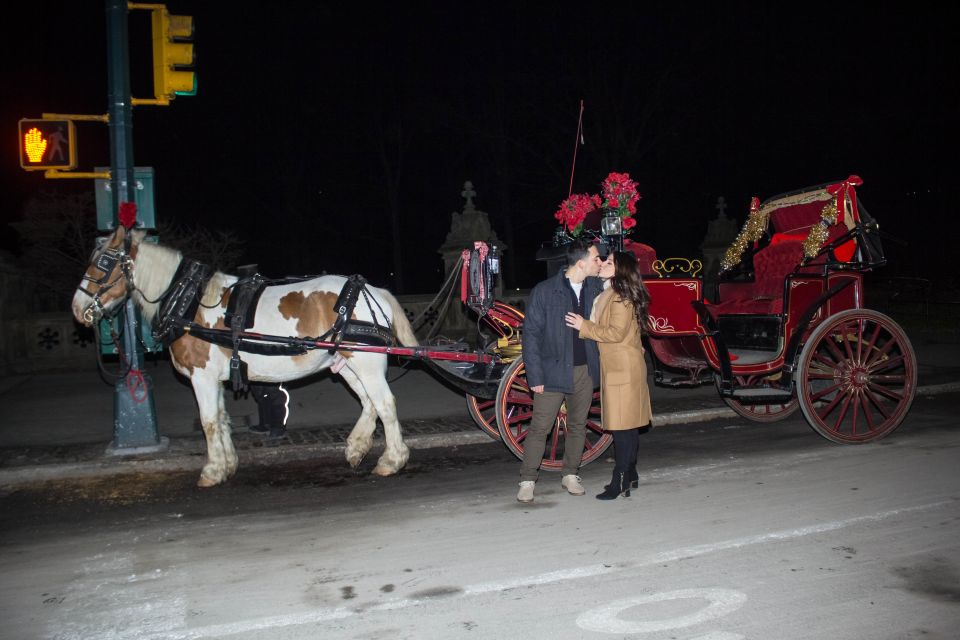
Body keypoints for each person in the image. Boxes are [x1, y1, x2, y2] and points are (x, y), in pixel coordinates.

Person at [516, 240, 604, 503]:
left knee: (578, 426)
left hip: (584, 371)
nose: (599, 262)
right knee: (540, 428)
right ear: (581, 263)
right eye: (596, 259)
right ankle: (528, 479)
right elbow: (530, 335)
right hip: (552, 372)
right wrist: (536, 376)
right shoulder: (545, 291)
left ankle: (570, 474)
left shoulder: (596, 288)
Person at [565, 250, 652, 500]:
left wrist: (584, 326)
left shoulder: (620, 297)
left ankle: (620, 479)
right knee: (628, 425)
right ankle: (631, 474)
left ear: (619, 270)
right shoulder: (611, 292)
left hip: (622, 369)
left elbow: (614, 333)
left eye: (609, 262)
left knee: (623, 428)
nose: (603, 263)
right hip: (619, 367)